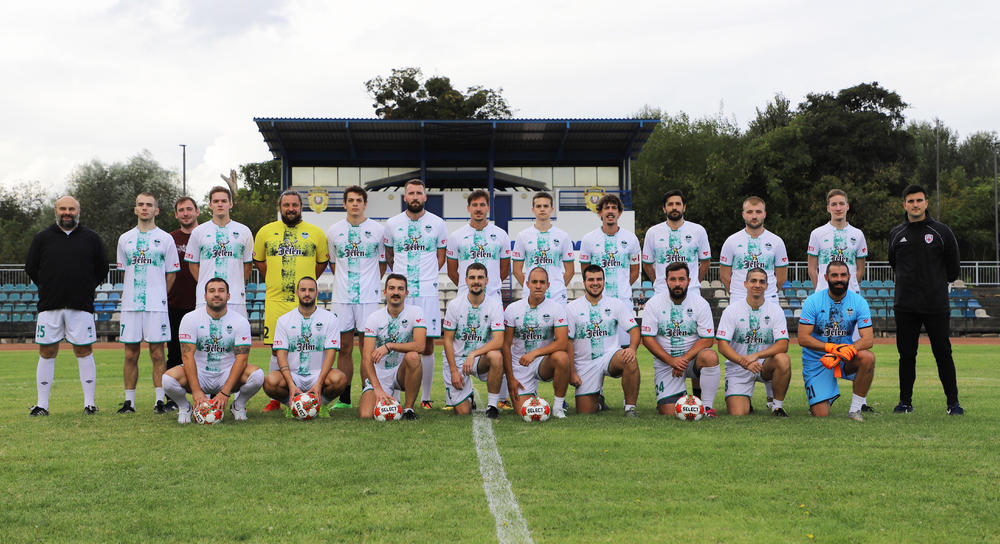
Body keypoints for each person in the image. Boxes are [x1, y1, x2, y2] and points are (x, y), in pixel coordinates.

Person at [26, 195, 109, 416]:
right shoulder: (42, 238)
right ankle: (42, 405)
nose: (67, 213)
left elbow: (102, 268)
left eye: (71, 209)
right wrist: (49, 286)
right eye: (63, 208)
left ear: (78, 211)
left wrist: (85, 286)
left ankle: (89, 404)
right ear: (56, 211)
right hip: (50, 305)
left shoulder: (92, 238)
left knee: (84, 350)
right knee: (47, 351)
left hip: (81, 305)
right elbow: (31, 267)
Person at [888, 184, 963, 415]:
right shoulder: (896, 234)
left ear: (926, 203)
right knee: (906, 356)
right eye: (910, 201)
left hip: (935, 305)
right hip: (906, 306)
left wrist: (933, 284)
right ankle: (905, 402)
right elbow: (894, 264)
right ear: (904, 205)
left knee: (943, 354)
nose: (915, 205)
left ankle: (953, 403)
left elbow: (953, 269)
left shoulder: (942, 232)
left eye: (919, 200)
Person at [253, 190, 330, 412]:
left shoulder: (316, 233)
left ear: (301, 207)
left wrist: (304, 286)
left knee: (310, 344)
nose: (290, 209)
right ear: (280, 207)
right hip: (276, 300)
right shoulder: (265, 232)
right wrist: (275, 280)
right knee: (277, 349)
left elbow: (321, 264)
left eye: (294, 205)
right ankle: (277, 399)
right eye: (286, 205)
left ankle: (311, 392)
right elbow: (260, 262)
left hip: (304, 301)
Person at [161, 278, 264, 423]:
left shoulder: (240, 321)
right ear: (205, 296)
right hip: (199, 373)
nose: (216, 294)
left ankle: (238, 405)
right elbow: (187, 355)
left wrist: (225, 393)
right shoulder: (190, 318)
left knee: (258, 375)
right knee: (167, 379)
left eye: (221, 291)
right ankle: (185, 407)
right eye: (211, 291)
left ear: (228, 296)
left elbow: (242, 359)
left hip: (227, 373)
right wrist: (197, 391)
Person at [383, 179, 447, 410]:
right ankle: (396, 397)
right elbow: (389, 255)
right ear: (405, 197)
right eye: (411, 193)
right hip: (402, 293)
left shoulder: (438, 223)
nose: (415, 197)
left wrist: (426, 276)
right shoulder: (392, 224)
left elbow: (441, 257)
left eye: (419, 193)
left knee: (427, 344)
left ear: (425, 197)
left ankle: (426, 398)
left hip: (427, 292)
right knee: (399, 341)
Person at [115, 193, 179, 414]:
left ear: (156, 210)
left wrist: (159, 294)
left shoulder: (166, 239)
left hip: (156, 306)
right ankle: (129, 402)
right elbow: (124, 271)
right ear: (135, 209)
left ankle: (159, 401)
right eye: (141, 204)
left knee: (157, 353)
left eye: (149, 205)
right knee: (130, 353)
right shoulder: (125, 239)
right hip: (131, 305)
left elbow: (171, 273)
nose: (144, 208)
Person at [325, 185, 386, 410]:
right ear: (344, 204)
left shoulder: (378, 230)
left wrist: (370, 283)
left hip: (368, 298)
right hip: (342, 296)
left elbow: (382, 263)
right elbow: (334, 263)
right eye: (350, 200)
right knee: (344, 347)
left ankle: (367, 393)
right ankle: (345, 398)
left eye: (359, 200)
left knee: (367, 348)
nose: (355, 204)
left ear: (365, 204)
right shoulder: (334, 231)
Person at [797, 262, 877, 421]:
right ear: (826, 278)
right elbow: (803, 338)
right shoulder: (812, 301)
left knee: (867, 357)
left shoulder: (859, 302)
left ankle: (855, 410)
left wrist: (843, 351)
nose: (839, 279)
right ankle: (823, 396)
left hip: (843, 357)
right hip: (818, 360)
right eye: (834, 275)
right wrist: (832, 348)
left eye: (843, 275)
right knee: (821, 414)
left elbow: (868, 339)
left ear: (849, 277)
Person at [640, 262, 720, 417]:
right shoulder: (653, 304)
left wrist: (683, 360)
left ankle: (707, 407)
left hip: (691, 360)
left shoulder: (700, 303)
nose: (677, 283)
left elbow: (708, 339)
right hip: (666, 363)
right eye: (673, 279)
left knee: (710, 356)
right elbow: (648, 339)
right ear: (666, 281)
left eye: (681, 279)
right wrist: (671, 361)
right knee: (669, 412)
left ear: (689, 281)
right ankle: (677, 397)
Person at [262, 277, 347, 414]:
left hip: (318, 374)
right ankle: (294, 405)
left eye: (311, 290)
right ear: (297, 292)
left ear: (317, 293)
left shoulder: (330, 319)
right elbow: (281, 354)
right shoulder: (284, 320)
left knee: (339, 379)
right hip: (294, 375)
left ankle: (319, 405)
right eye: (303, 290)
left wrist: (319, 383)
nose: (307, 293)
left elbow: (331, 353)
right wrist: (291, 384)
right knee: (270, 382)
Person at [565, 265, 641, 416]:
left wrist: (632, 348)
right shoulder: (572, 308)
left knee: (629, 359)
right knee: (585, 412)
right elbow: (568, 343)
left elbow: (634, 330)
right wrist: (572, 372)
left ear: (604, 281)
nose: (595, 283)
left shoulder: (615, 304)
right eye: (591, 280)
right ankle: (598, 402)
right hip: (585, 363)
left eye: (599, 279)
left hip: (610, 357)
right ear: (584, 282)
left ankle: (630, 408)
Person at [716, 267, 791, 417]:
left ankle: (777, 407)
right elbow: (722, 346)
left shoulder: (775, 310)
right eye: (753, 281)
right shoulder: (731, 310)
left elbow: (783, 344)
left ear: (767, 286)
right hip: (738, 367)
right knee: (738, 414)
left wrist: (756, 356)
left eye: (762, 282)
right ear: (746, 284)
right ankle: (745, 400)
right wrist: (744, 362)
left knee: (783, 359)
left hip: (764, 366)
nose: (757, 285)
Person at [502, 267, 572, 419]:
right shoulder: (513, 309)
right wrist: (510, 378)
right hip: (520, 365)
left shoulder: (556, 308)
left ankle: (558, 407)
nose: (538, 286)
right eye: (534, 282)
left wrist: (534, 353)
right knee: (525, 412)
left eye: (542, 282)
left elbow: (562, 343)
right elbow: (505, 346)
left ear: (548, 285)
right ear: (527, 284)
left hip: (543, 362)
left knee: (562, 357)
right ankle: (531, 393)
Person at [442, 263, 505, 417]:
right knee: (463, 412)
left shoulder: (495, 305)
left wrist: (473, 354)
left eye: (480, 278)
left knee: (496, 356)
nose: (476, 281)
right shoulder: (455, 305)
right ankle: (468, 397)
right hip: (458, 359)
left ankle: (492, 406)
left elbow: (499, 341)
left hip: (479, 359)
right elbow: (447, 340)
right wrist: (453, 371)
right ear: (466, 281)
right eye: (472, 278)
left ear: (486, 280)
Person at [359, 274, 425, 420]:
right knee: (365, 415)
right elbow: (366, 357)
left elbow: (420, 346)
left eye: (400, 289)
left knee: (413, 356)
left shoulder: (416, 312)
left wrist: (389, 346)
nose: (396, 292)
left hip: (401, 372)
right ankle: (383, 393)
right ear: (385, 292)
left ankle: (408, 409)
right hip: (379, 373)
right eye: (392, 288)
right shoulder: (374, 318)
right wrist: (377, 389)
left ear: (406, 293)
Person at [185, 186, 253, 317]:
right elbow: (192, 264)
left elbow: (248, 264)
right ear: (210, 205)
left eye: (224, 201)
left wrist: (237, 283)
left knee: (236, 329)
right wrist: (206, 285)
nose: (220, 204)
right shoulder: (198, 232)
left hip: (235, 298)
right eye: (216, 201)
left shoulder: (244, 231)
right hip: (206, 299)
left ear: (230, 204)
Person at [165, 196, 200, 412]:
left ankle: (207, 395)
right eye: (181, 210)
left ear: (197, 211)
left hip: (202, 306)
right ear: (176, 215)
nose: (185, 213)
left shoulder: (205, 234)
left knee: (204, 353)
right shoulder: (169, 239)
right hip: (175, 304)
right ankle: (172, 399)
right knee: (175, 354)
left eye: (189, 209)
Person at [641, 190, 711, 297]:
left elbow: (705, 262)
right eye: (670, 204)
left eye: (678, 204)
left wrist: (693, 282)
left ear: (684, 207)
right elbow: (647, 264)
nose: (674, 207)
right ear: (664, 208)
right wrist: (659, 283)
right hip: (662, 293)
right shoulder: (653, 232)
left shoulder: (698, 231)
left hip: (691, 293)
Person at [446, 190, 511, 305]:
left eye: (482, 205)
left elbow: (505, 270)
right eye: (474, 205)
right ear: (468, 208)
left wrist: (490, 286)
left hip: (493, 298)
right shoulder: (456, 236)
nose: (478, 209)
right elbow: (452, 272)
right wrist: (470, 287)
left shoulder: (501, 235)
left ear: (488, 208)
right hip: (465, 298)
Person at [719, 196, 788, 303]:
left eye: (758, 212)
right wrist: (737, 293)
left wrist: (767, 292)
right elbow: (724, 276)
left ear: (764, 214)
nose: (754, 216)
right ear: (743, 214)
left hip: (768, 298)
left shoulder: (777, 241)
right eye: (750, 212)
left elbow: (782, 278)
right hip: (739, 298)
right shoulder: (731, 241)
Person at [511, 192, 575, 304]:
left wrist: (557, 287)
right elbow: (516, 271)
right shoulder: (522, 236)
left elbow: (570, 271)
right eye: (538, 206)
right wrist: (531, 287)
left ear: (551, 209)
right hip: (530, 296)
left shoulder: (563, 236)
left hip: (557, 297)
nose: (542, 209)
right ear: (533, 210)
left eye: (545, 206)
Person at [578, 194, 641, 306]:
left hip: (623, 301)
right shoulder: (588, 239)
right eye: (607, 208)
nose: (610, 211)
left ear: (619, 213)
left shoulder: (631, 238)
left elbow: (635, 272)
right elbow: (585, 271)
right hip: (598, 301)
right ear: (600, 213)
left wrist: (623, 287)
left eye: (614, 208)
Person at [807, 189, 868, 293]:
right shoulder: (817, 233)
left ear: (847, 206)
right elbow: (812, 269)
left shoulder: (858, 234)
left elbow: (861, 269)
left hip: (850, 294)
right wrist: (820, 290)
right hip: (824, 294)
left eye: (841, 204)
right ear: (828, 208)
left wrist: (851, 288)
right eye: (834, 204)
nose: (838, 208)